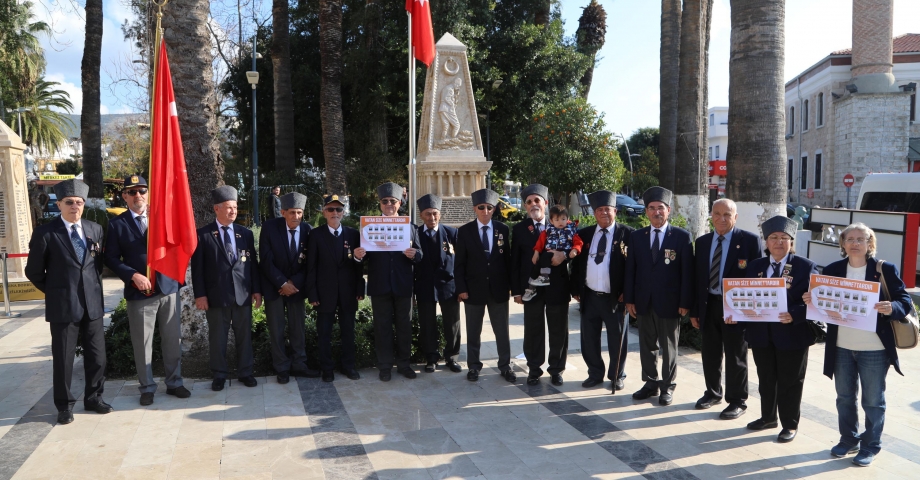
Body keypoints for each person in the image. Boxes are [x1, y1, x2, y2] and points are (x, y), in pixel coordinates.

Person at [804, 222, 912, 466]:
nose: (855, 243)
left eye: (860, 239)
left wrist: (891, 307)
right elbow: (822, 304)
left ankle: (871, 445)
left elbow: (904, 300)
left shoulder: (884, 269)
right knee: (844, 397)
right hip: (841, 346)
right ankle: (848, 439)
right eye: (849, 239)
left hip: (874, 348)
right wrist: (812, 299)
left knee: (873, 400)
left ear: (869, 244)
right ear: (842, 244)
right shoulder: (832, 270)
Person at [26, 179, 113, 425]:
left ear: (83, 204)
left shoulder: (94, 229)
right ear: (59, 204)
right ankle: (64, 406)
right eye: (69, 202)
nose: (74, 206)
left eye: (79, 202)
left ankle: (94, 398)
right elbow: (33, 272)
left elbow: (95, 266)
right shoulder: (46, 232)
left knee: (97, 357)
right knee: (63, 359)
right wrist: (55, 292)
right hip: (63, 307)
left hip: (93, 305)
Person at [104, 175, 189, 405]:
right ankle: (147, 387)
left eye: (142, 190)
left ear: (148, 194)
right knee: (142, 343)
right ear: (124, 196)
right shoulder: (117, 224)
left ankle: (175, 383)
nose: (138, 195)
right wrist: (132, 275)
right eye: (132, 192)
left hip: (168, 287)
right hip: (139, 292)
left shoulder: (163, 219)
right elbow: (110, 257)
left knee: (173, 340)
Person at [742, 215, 818, 443]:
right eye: (773, 237)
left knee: (790, 382)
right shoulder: (756, 266)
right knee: (766, 379)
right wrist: (735, 314)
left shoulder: (806, 267)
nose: (778, 242)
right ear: (766, 242)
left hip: (792, 335)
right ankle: (768, 417)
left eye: (784, 238)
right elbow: (745, 297)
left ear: (791, 241)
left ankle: (789, 424)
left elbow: (815, 302)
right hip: (761, 335)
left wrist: (794, 314)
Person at [689, 198, 762, 419]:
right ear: (711, 215)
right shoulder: (702, 242)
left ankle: (737, 400)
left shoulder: (749, 241)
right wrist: (695, 311)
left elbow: (756, 279)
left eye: (727, 214)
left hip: (736, 307)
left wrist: (747, 311)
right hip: (709, 304)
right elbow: (696, 280)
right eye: (717, 214)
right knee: (710, 352)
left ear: (735, 217)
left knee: (735, 354)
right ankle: (712, 392)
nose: (722, 219)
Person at [624, 186, 693, 406]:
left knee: (669, 346)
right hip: (644, 302)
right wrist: (630, 299)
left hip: (670, 303)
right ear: (646, 212)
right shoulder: (637, 237)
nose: (656, 212)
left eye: (660, 208)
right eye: (652, 208)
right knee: (647, 345)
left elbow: (687, 273)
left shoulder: (681, 237)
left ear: (668, 210)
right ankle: (650, 383)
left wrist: (684, 302)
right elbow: (631, 271)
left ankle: (667, 386)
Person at [191, 186, 262, 391]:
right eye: (229, 207)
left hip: (243, 295)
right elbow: (198, 270)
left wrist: (256, 290)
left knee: (244, 336)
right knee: (217, 338)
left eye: (235, 207)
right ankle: (219, 374)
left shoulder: (245, 234)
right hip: (216, 296)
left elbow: (253, 265)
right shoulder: (203, 235)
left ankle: (246, 372)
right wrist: (200, 295)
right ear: (217, 209)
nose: (233, 211)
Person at [353, 182, 423, 381]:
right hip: (379, 284)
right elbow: (362, 257)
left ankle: (404, 364)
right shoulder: (369, 226)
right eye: (385, 201)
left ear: (399, 203)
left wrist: (415, 254)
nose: (389, 204)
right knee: (382, 327)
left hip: (403, 284)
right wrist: (358, 255)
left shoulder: (410, 227)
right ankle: (384, 366)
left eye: (393, 201)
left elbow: (420, 254)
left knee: (404, 326)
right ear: (380, 204)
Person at [570, 190, 634, 391]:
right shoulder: (584, 234)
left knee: (617, 340)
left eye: (608, 209)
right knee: (589, 339)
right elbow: (576, 265)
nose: (604, 213)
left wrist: (628, 291)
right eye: (599, 210)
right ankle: (595, 373)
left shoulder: (629, 234)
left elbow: (634, 267)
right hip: (589, 296)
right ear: (594, 213)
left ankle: (617, 375)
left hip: (615, 298)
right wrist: (575, 288)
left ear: (615, 211)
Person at [510, 184, 572, 386]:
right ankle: (534, 369)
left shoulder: (563, 225)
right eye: (529, 202)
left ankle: (556, 369)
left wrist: (565, 255)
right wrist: (517, 292)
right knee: (533, 330)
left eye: (537, 200)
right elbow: (516, 262)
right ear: (525, 206)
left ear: (545, 203)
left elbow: (576, 251)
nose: (533, 205)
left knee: (558, 330)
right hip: (532, 288)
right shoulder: (520, 229)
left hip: (558, 286)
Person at [259, 192, 320, 384]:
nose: (296, 217)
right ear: (283, 212)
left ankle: (299, 365)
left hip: (296, 289)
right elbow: (266, 260)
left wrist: (293, 283)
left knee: (297, 329)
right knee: (277, 329)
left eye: (299, 213)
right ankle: (282, 368)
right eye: (292, 213)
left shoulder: (308, 230)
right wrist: (282, 283)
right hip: (274, 288)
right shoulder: (269, 228)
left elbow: (310, 263)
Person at [455, 188, 515, 383]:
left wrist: (511, 287)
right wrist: (461, 288)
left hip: (498, 290)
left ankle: (505, 365)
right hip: (473, 290)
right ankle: (473, 366)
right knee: (473, 331)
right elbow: (460, 264)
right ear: (475, 208)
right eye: (481, 207)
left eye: (490, 207)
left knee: (502, 331)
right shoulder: (464, 232)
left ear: (494, 209)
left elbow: (508, 260)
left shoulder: (503, 229)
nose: (485, 211)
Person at [306, 194, 365, 382]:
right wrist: (312, 293)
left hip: (348, 293)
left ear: (344, 212)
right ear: (324, 212)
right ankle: (327, 368)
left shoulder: (353, 234)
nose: (335, 213)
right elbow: (311, 267)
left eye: (338, 209)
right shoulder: (315, 235)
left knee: (348, 332)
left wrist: (359, 289)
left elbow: (359, 265)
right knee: (324, 333)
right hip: (324, 294)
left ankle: (349, 366)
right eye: (330, 209)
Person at [414, 194, 462, 373]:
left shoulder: (452, 233)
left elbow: (460, 263)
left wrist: (461, 287)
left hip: (448, 286)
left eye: (434, 213)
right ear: (421, 215)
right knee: (427, 323)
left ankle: (452, 357)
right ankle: (431, 358)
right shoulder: (416, 233)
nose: (431, 218)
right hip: (425, 285)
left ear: (440, 214)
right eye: (427, 214)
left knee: (452, 323)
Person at [524, 204, 583, 299]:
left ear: (567, 218)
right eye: (557, 220)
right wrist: (536, 252)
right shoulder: (548, 230)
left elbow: (578, 241)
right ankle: (531, 288)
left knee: (545, 258)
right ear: (551, 221)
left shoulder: (571, 230)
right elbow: (540, 242)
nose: (560, 222)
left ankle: (544, 277)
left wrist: (575, 249)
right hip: (550, 252)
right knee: (537, 266)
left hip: (564, 253)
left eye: (563, 219)